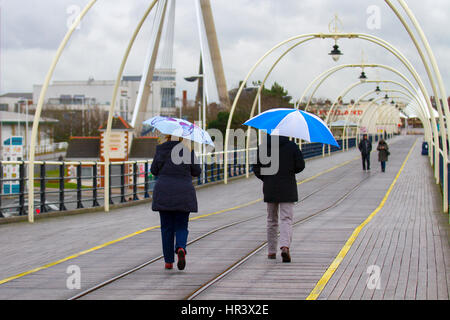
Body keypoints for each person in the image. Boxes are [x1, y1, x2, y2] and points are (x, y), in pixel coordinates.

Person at [151, 135, 201, 270]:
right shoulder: (187, 150)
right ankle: (181, 248)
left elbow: (153, 171)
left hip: (164, 192)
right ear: (181, 137)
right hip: (183, 192)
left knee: (166, 228)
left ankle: (168, 261)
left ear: (166, 136)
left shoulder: (160, 150)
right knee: (181, 225)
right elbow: (197, 171)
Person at [253, 135, 305, 263]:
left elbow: (256, 169)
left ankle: (271, 251)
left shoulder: (264, 147)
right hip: (288, 187)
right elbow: (300, 165)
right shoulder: (292, 146)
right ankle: (285, 247)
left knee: (271, 220)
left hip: (270, 187)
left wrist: (267, 178)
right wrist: (289, 171)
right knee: (286, 219)